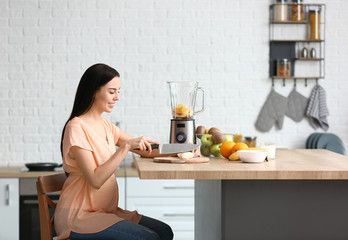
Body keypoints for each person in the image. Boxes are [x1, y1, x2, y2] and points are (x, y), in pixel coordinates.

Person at [55, 63, 174, 240]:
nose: (117, 97)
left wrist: (181, 151)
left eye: (118, 91)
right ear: (94, 91)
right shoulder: (76, 128)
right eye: (112, 92)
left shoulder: (106, 125)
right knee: (148, 238)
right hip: (79, 216)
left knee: (164, 231)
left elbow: (145, 150)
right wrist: (125, 147)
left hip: (105, 213)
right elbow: (96, 179)